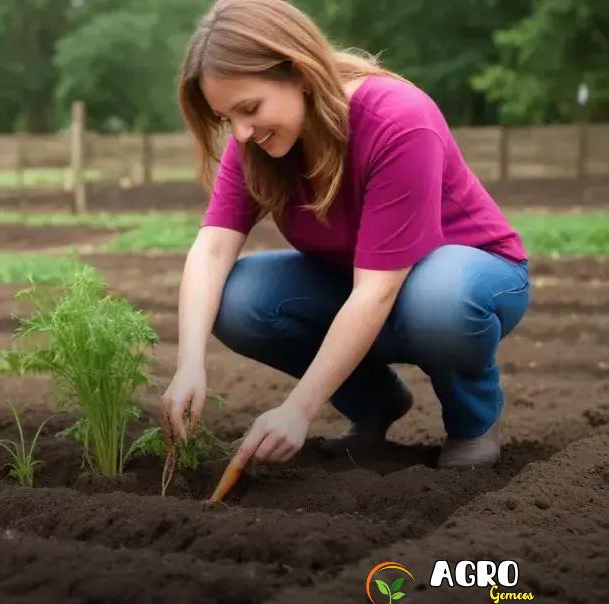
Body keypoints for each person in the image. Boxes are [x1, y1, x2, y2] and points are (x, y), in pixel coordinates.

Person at [161, 0, 529, 471]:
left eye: (249, 108)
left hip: (470, 278)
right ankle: (374, 403)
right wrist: (189, 363)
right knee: (239, 298)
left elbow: (377, 290)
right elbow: (212, 248)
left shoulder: (397, 119)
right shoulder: (253, 142)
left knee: (438, 298)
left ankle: (473, 421)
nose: (241, 132)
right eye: (225, 118)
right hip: (360, 285)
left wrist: (300, 408)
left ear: (297, 71)